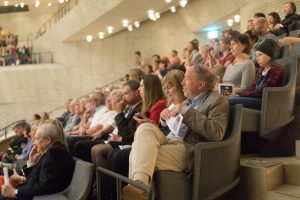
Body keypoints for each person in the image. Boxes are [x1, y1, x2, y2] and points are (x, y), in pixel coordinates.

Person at [123, 64, 229, 199]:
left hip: (190, 149)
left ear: (201, 84)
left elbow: (216, 132)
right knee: (144, 129)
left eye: (187, 78)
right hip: (171, 141)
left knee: (137, 154)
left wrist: (185, 111)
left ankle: (139, 188)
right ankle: (139, 187)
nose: (182, 82)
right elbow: (172, 128)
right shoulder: (186, 102)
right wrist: (163, 118)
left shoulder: (217, 100)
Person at [0, 120, 75, 200]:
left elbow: (45, 187)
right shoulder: (51, 151)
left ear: (47, 140)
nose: (34, 142)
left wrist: (14, 192)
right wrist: (31, 162)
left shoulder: (54, 152)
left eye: (37, 139)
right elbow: (36, 178)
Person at [228, 39, 284, 110]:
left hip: (265, 102)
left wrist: (240, 96)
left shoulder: (276, 71)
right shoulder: (261, 71)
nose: (257, 59)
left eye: (260, 55)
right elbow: (252, 89)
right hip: (255, 98)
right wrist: (238, 95)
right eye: (256, 56)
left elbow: (262, 92)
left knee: (228, 101)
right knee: (227, 99)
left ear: (270, 55)